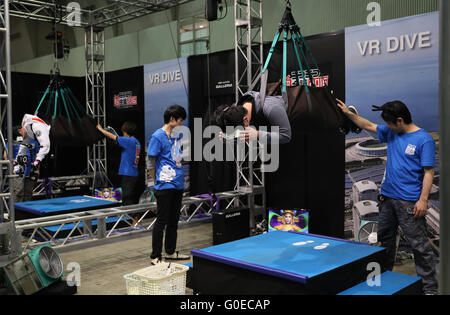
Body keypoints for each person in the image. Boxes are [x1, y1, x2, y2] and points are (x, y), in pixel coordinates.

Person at [336, 99, 438, 295]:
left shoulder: (423, 140)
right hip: (387, 199)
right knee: (384, 242)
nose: (386, 127)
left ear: (400, 120)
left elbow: (428, 172)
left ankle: (429, 291)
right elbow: (368, 125)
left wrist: (423, 200)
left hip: (410, 203)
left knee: (420, 248)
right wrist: (349, 115)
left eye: (390, 123)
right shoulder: (392, 132)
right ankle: (383, 281)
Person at [147, 105, 189, 265]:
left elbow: (177, 158)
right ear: (172, 119)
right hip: (164, 186)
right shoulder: (157, 136)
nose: (182, 124)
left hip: (177, 185)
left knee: (173, 221)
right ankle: (155, 256)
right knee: (162, 221)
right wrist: (157, 180)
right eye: (180, 120)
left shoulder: (176, 136)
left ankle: (170, 252)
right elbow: (150, 161)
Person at [213, 91, 292, 144]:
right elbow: (240, 133)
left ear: (245, 120)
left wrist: (257, 134)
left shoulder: (272, 108)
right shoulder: (235, 111)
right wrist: (229, 138)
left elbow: (286, 136)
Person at [97, 122, 141, 206]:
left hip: (128, 173)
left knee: (125, 198)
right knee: (126, 197)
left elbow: (113, 137)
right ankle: (130, 216)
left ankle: (134, 216)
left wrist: (101, 129)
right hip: (132, 173)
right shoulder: (136, 142)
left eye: (123, 132)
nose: (123, 134)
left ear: (126, 131)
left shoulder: (129, 141)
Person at [4, 131, 39, 202]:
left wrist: (37, 169)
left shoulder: (33, 142)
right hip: (17, 170)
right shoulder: (12, 142)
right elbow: (6, 156)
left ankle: (27, 211)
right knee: (18, 192)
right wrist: (12, 168)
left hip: (30, 170)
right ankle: (16, 211)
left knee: (28, 192)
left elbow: (37, 155)